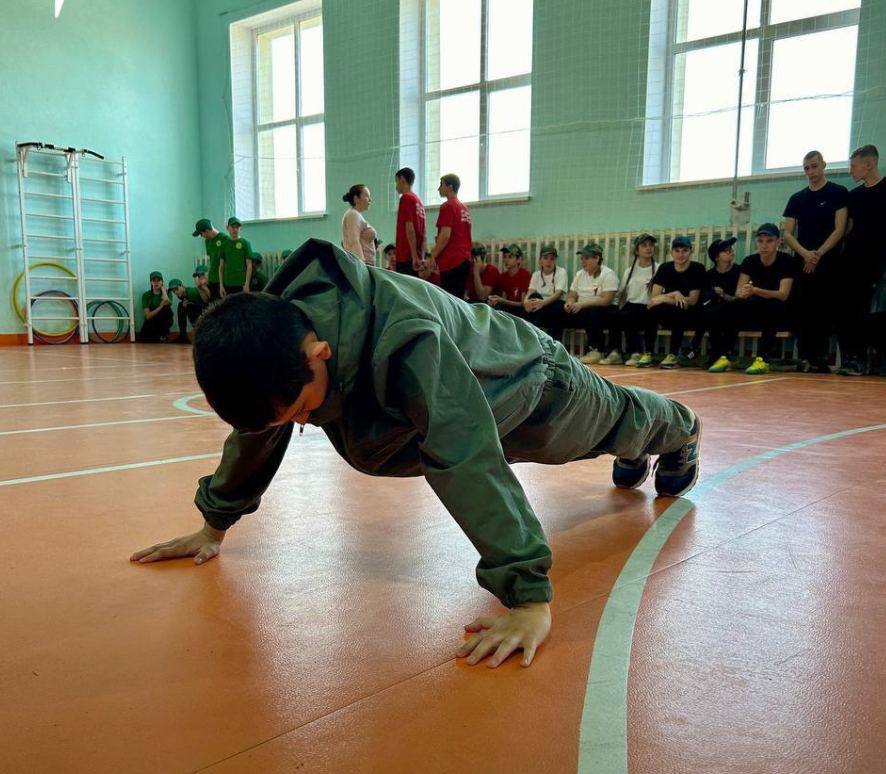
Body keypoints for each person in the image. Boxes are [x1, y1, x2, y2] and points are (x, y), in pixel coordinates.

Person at [130, 239, 701, 670]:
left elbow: (462, 452)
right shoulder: (276, 340)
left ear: (320, 351)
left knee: (613, 425)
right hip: (469, 405)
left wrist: (528, 597)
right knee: (601, 442)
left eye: (303, 408)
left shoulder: (406, 342)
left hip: (530, 385)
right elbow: (260, 431)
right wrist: (214, 524)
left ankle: (681, 431)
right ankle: (641, 446)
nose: (301, 422)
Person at [782, 150, 848, 373]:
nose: (810, 172)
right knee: (803, 308)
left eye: (814, 166)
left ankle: (820, 357)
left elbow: (840, 228)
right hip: (802, 261)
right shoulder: (796, 198)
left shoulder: (838, 192)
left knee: (824, 309)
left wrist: (818, 254)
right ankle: (804, 356)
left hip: (828, 261)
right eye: (806, 168)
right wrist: (805, 254)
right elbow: (788, 233)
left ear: (823, 166)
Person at [838, 144, 886, 376]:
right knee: (851, 312)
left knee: (877, 313)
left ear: (869, 164)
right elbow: (848, 228)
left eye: (854, 166)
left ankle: (878, 359)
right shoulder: (854, 196)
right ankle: (853, 360)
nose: (850, 171)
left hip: (881, 263)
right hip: (855, 263)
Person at [733, 223, 798, 375]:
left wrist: (755, 290)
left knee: (772, 306)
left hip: (780, 310)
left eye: (769, 241)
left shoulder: (786, 261)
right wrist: (744, 293)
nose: (764, 245)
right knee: (734, 306)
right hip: (756, 308)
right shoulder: (750, 261)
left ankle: (763, 359)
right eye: (761, 241)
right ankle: (725, 354)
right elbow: (738, 291)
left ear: (778, 242)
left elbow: (783, 294)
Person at [646, 236, 706, 368]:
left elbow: (692, 300)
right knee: (651, 309)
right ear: (671, 252)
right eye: (677, 250)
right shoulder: (665, 268)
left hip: (691, 312)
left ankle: (673, 354)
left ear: (691, 251)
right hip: (670, 308)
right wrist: (674, 293)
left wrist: (666, 298)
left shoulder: (697, 268)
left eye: (684, 250)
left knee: (679, 308)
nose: (680, 254)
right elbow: (655, 297)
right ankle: (648, 353)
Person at [603, 233, 659, 367]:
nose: (648, 248)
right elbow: (622, 292)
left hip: (649, 306)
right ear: (637, 250)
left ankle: (636, 352)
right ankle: (615, 352)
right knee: (616, 314)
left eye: (651, 245)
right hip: (631, 305)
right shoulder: (629, 271)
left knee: (634, 316)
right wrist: (617, 307)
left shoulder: (658, 268)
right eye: (644, 245)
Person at [691, 238, 742, 373]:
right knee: (710, 315)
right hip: (715, 312)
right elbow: (705, 299)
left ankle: (721, 354)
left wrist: (724, 295)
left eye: (730, 249)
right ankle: (717, 355)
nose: (730, 251)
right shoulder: (709, 275)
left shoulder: (739, 271)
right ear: (717, 257)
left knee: (727, 312)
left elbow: (740, 298)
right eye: (726, 250)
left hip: (735, 310)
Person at [563, 243, 618, 365]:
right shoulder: (579, 274)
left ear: (597, 258)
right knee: (556, 310)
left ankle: (596, 350)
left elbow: (606, 299)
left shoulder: (608, 274)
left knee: (593, 312)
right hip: (582, 308)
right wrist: (569, 303)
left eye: (587, 258)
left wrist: (582, 304)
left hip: (604, 310)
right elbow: (572, 294)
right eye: (582, 258)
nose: (583, 261)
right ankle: (557, 349)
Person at [428, 174, 472, 297]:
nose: (438, 188)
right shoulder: (463, 208)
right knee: (459, 299)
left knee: (450, 301)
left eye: (441, 184)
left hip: (452, 260)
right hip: (464, 260)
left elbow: (445, 235)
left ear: (450, 187)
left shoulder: (447, 206)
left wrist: (433, 255)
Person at [523, 244, 568, 341]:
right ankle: (533, 340)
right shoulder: (536, 274)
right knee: (533, 296)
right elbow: (530, 291)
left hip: (553, 306)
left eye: (552, 259)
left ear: (555, 261)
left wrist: (542, 303)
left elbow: (558, 294)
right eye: (545, 258)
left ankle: (553, 343)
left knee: (559, 306)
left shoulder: (561, 272)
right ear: (540, 260)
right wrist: (525, 302)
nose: (549, 261)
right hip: (540, 308)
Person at [394, 167, 426, 276]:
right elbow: (424, 234)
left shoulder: (406, 198)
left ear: (402, 180)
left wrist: (413, 256)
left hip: (406, 255)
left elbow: (410, 229)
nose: (396, 185)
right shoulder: (419, 201)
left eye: (397, 181)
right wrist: (421, 256)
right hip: (416, 256)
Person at [192, 218, 231, 300]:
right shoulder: (207, 241)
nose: (202, 236)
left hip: (223, 280)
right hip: (212, 279)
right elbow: (212, 261)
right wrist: (207, 278)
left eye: (201, 234)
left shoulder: (225, 239)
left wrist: (222, 284)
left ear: (206, 230)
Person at [488, 245, 531, 315]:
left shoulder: (525, 275)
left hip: (521, 310)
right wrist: (495, 301)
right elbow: (504, 299)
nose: (506, 260)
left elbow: (524, 304)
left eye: (510, 257)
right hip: (508, 309)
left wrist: (502, 300)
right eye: (505, 257)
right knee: (493, 307)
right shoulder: (503, 276)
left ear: (518, 260)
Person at [341, 184, 378, 265]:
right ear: (356, 198)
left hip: (366, 264)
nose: (370, 200)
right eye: (367, 196)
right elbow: (354, 241)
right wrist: (362, 264)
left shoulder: (356, 215)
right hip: (363, 264)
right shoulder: (353, 215)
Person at [168, 272, 209, 344]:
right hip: (199, 309)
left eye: (176, 289)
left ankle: (200, 336)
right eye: (173, 291)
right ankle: (183, 336)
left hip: (205, 310)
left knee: (186, 307)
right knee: (181, 306)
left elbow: (205, 304)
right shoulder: (182, 295)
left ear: (182, 286)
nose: (175, 292)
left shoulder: (191, 293)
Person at [218, 216, 254, 298]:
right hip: (228, 283)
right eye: (233, 227)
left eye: (237, 227)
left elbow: (249, 265)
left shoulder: (245, 243)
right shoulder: (224, 245)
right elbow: (221, 266)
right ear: (227, 228)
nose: (235, 230)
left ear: (240, 228)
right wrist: (221, 286)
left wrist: (247, 284)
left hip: (241, 283)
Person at [138, 271, 173, 343]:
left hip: (164, 319)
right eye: (154, 280)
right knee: (143, 337)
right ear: (151, 282)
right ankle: (159, 337)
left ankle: (164, 334)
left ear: (162, 282)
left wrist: (163, 290)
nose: (156, 283)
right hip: (152, 319)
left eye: (158, 280)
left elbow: (167, 303)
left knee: (166, 308)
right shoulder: (146, 295)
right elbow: (147, 316)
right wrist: (160, 306)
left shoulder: (167, 292)